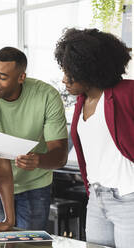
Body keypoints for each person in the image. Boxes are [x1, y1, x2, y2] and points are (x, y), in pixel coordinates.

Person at [0, 47, 68, 231]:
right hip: (0, 186)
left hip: (36, 185)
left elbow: (60, 155)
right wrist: (9, 219)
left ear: (21, 77)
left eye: (3, 77)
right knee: (6, 241)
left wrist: (38, 160)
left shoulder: (47, 96)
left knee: (29, 245)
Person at [55, 28, 134, 248]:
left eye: (70, 72)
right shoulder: (81, 102)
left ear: (89, 69)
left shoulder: (127, 93)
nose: (64, 79)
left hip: (129, 199)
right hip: (97, 201)